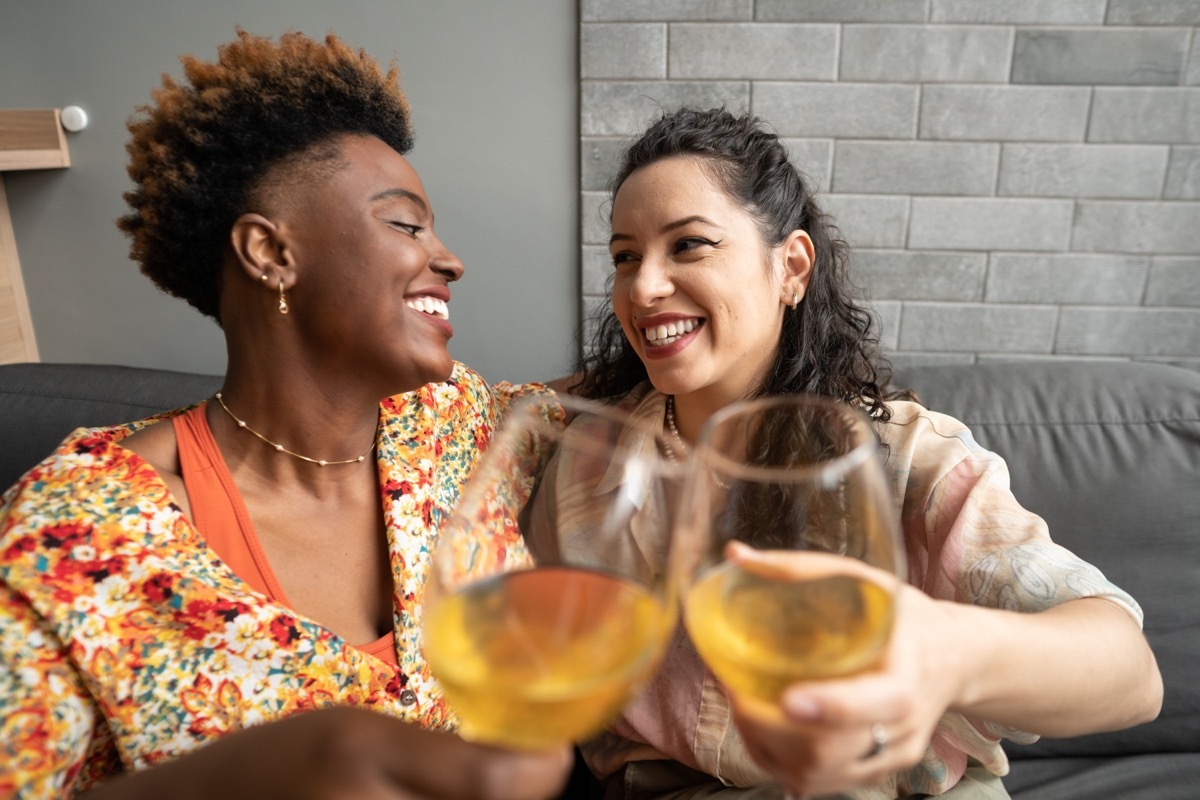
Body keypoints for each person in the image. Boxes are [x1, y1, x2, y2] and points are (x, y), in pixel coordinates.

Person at [0, 30, 573, 799]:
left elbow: (578, 406)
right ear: (270, 253)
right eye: (406, 224)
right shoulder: (77, 537)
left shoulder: (446, 423)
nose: (450, 258)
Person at [561, 107, 1163, 798]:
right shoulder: (589, 454)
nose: (642, 287)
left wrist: (946, 649)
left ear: (791, 268)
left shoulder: (903, 457)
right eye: (624, 256)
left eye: (689, 245)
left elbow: (1132, 676)